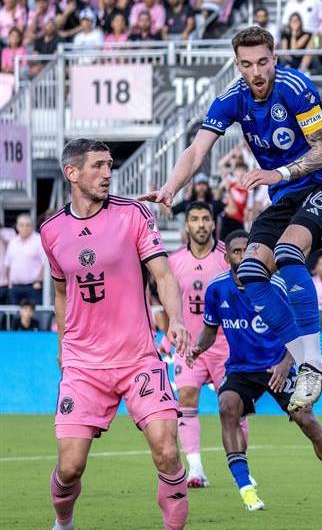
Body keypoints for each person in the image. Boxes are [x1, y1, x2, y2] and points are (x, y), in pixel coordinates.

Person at [141, 27, 322, 411]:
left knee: (287, 254)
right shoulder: (232, 99)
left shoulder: (295, 87)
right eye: (247, 64)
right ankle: (307, 361)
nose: (257, 72)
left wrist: (278, 173)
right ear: (237, 65)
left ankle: (313, 362)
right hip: (285, 197)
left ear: (275, 58)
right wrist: (171, 187)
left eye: (263, 62)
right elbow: (197, 150)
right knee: (251, 273)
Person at [40, 139, 190, 530]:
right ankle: (63, 523)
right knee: (70, 467)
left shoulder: (134, 214)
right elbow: (60, 291)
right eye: (98, 166)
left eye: (110, 165)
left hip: (138, 357)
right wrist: (62, 347)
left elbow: (163, 275)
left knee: (167, 451)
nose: (108, 173)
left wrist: (175, 319)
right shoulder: (51, 230)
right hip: (83, 364)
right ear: (72, 173)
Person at [189, 230, 322, 511]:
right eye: (237, 251)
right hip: (242, 369)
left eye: (249, 250)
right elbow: (209, 331)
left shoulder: (276, 287)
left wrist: (285, 364)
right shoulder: (216, 289)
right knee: (227, 406)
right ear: (226, 257)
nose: (244, 255)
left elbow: (297, 333)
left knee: (305, 419)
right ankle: (246, 489)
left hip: (278, 364)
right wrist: (197, 348)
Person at [162, 201, 241, 488]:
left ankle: (241, 469)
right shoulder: (173, 261)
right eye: (194, 219)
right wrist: (168, 334)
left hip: (225, 345)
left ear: (213, 224)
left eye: (205, 219)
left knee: (233, 405)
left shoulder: (226, 257)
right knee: (185, 399)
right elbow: (164, 302)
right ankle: (195, 469)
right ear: (187, 225)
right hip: (188, 345)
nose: (201, 224)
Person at [3, 212, 44, 305]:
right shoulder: (13, 242)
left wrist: (39, 281)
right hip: (15, 288)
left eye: (27, 225)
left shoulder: (38, 240)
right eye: (21, 225)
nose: (24, 228)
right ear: (17, 227)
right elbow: (8, 264)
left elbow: (45, 263)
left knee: (35, 316)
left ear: (32, 226)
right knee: (15, 317)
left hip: (33, 287)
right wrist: (10, 283)